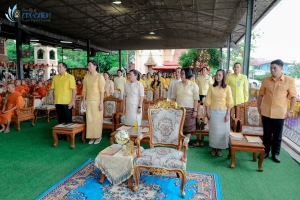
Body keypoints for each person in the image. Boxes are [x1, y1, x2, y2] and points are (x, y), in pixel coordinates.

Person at [257, 59, 297, 163]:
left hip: (280, 114)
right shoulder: (265, 80)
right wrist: (258, 107)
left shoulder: (289, 80)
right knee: (266, 134)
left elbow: (293, 97)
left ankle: (275, 153)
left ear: (281, 68)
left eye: (274, 68)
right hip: (266, 112)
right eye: (271, 68)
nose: (272, 70)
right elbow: (261, 94)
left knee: (277, 136)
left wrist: (291, 111)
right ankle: (265, 151)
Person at [205, 69, 234, 156]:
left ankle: (220, 149)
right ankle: (213, 148)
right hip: (213, 111)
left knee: (222, 131)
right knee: (214, 130)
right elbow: (208, 100)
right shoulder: (211, 87)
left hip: (224, 112)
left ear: (223, 76)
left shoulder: (228, 88)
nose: (217, 77)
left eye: (219, 75)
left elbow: (230, 102)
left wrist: (228, 114)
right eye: (216, 75)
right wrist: (207, 112)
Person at [172, 68, 199, 148]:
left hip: (189, 109)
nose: (181, 75)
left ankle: (185, 144)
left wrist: (195, 110)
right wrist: (173, 108)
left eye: (182, 73)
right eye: (181, 73)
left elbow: (196, 99)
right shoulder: (177, 85)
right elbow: (173, 97)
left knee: (188, 128)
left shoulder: (194, 85)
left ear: (187, 74)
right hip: (178, 109)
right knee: (179, 127)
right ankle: (179, 143)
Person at [82, 61, 105, 145]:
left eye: (90, 65)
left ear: (95, 66)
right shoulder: (86, 77)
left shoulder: (100, 77)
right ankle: (92, 136)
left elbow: (102, 91)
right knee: (90, 119)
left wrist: (101, 103)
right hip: (89, 101)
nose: (88, 66)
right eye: (88, 65)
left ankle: (98, 136)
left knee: (97, 119)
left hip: (97, 101)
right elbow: (84, 90)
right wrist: (83, 101)